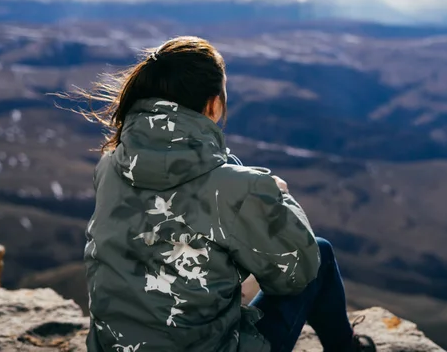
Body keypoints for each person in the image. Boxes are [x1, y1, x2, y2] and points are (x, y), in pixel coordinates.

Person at [76, 36, 376, 352]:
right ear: (214, 104)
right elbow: (298, 273)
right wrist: (275, 200)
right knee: (321, 253)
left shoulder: (110, 164)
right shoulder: (234, 187)